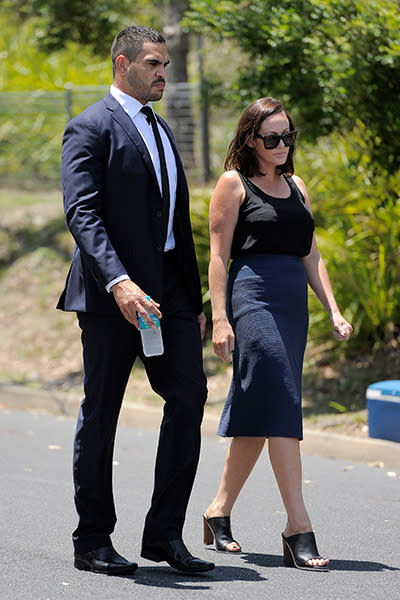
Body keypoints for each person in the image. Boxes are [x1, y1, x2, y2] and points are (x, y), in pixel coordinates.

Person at [57, 25, 215, 575]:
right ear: (122, 65)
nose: (162, 73)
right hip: (111, 296)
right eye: (152, 64)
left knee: (189, 395)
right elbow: (83, 213)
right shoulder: (89, 127)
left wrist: (193, 301)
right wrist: (118, 281)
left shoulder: (164, 131)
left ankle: (164, 534)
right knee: (102, 414)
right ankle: (92, 539)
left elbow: (177, 222)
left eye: (165, 64)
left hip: (168, 294)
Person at [202, 97, 353, 571]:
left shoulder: (297, 185)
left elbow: (311, 255)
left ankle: (217, 512)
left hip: (292, 306)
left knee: (258, 411)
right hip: (252, 299)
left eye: (288, 136)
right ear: (250, 139)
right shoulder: (234, 184)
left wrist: (332, 309)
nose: (283, 144)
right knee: (282, 401)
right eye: (272, 137)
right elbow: (219, 257)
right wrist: (221, 319)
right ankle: (298, 527)